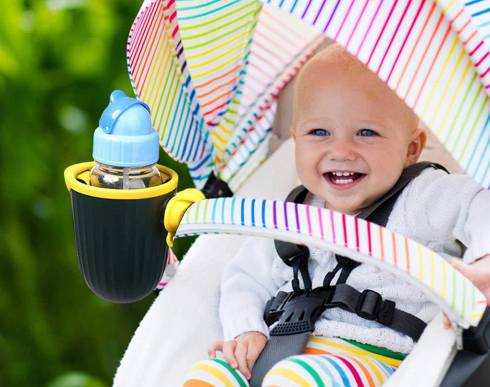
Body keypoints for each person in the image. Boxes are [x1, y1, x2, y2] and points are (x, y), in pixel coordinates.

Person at [182, 44, 490, 387]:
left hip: (370, 358)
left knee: (294, 377)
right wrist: (246, 330)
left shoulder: (421, 197)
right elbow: (244, 278)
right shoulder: (292, 215)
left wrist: (485, 263)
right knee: (209, 373)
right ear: (296, 140)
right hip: (277, 349)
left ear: (411, 148)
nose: (341, 151)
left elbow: (480, 203)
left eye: (366, 133)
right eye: (319, 133)